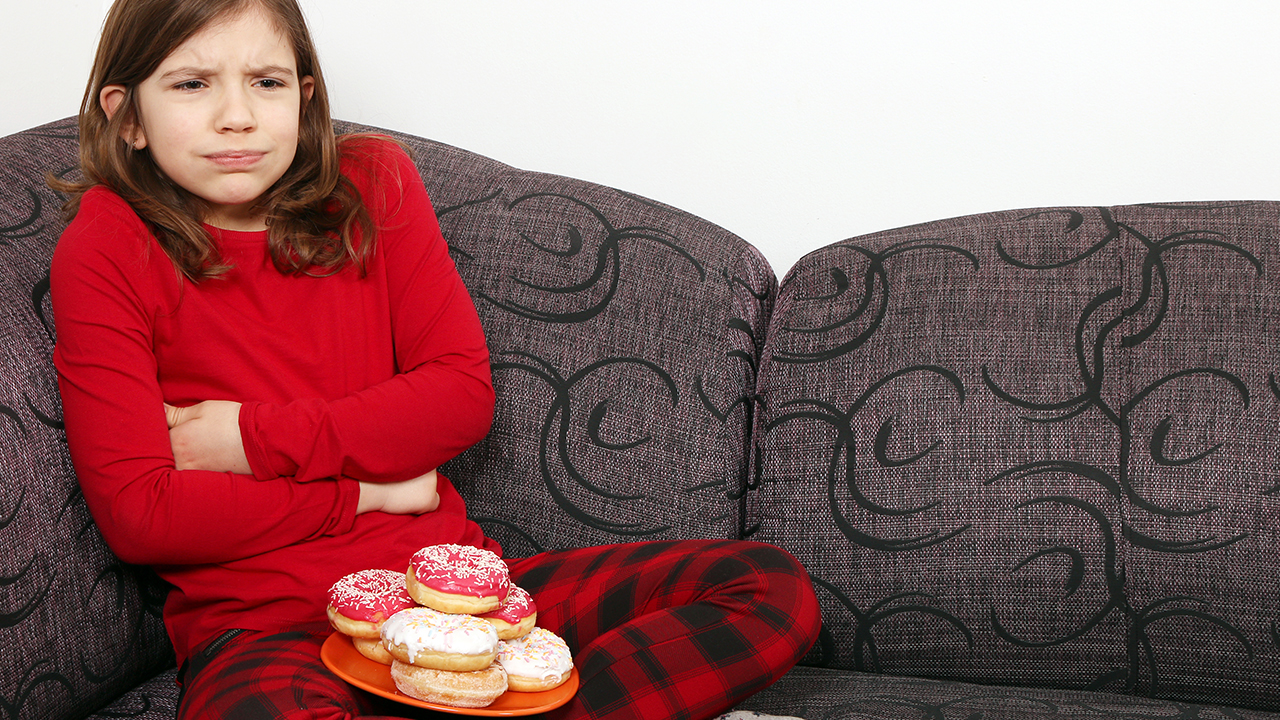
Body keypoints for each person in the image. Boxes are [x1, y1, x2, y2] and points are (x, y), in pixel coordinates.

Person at [49, 0, 822, 718]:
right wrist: (369, 497)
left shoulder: (372, 183)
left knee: (767, 588)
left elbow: (456, 400)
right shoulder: (107, 242)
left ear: (306, 99)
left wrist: (247, 440)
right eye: (191, 83)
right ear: (128, 118)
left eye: (266, 80)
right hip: (267, 627)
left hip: (465, 601)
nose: (238, 115)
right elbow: (145, 518)